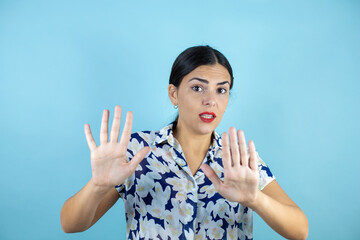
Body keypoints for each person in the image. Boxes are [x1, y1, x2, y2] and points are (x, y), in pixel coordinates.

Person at [60, 46, 308, 239]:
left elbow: (300, 231)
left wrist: (256, 200)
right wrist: (97, 185)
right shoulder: (136, 151)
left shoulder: (242, 160)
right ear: (173, 94)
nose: (210, 100)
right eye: (198, 88)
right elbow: (70, 224)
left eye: (221, 90)